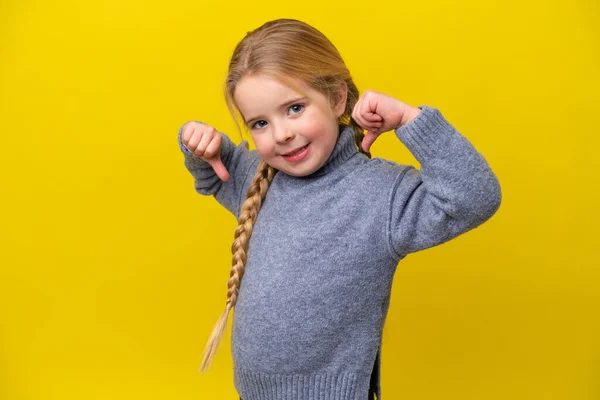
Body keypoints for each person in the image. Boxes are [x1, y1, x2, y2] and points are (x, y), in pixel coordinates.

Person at [177, 18, 501, 400]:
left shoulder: (382, 195)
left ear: (336, 99)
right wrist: (197, 144)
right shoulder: (258, 177)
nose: (281, 134)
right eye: (260, 123)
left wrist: (410, 121)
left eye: (295, 108)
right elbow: (215, 173)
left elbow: (474, 197)